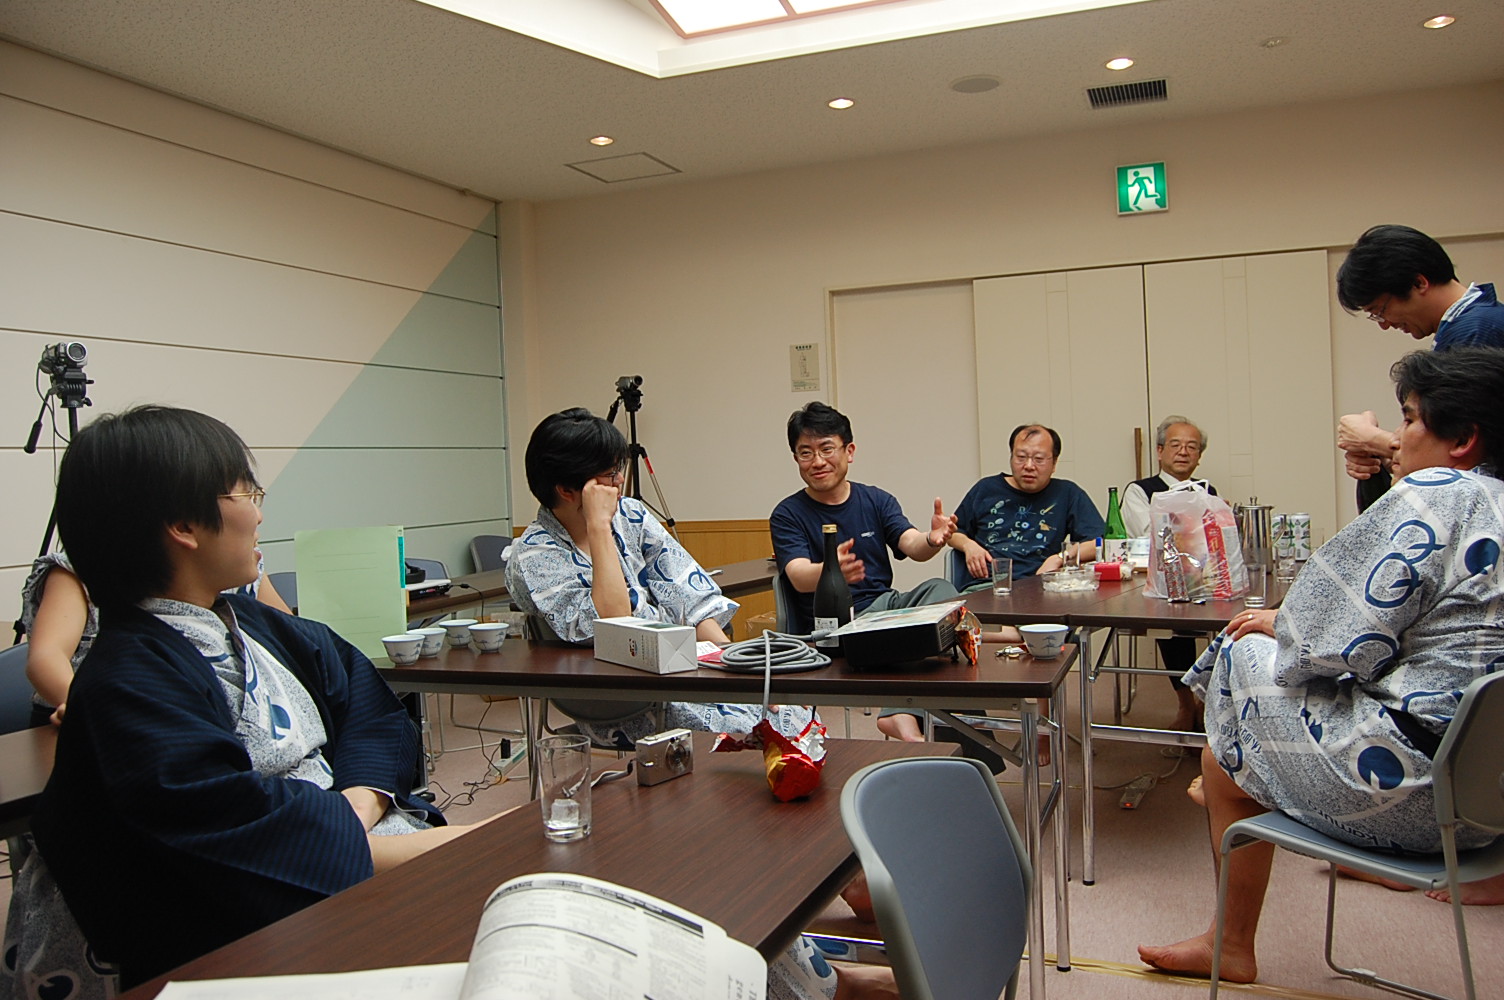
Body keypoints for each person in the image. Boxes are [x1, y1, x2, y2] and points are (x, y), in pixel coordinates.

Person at [5, 406, 468, 997]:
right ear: (183, 525)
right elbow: (234, 839)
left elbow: (369, 706)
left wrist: (363, 798)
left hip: (345, 834)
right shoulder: (126, 682)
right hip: (241, 912)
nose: (259, 512)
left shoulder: (259, 625)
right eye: (246, 492)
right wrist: (437, 843)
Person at [1139, 347, 1504, 983]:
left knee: (1244, 647)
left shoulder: (1439, 494)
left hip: (1409, 789)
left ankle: (1230, 929)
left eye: (1408, 420)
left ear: (1463, 439)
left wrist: (1282, 622)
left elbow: (1326, 639)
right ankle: (1228, 766)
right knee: (1233, 736)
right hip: (1487, 805)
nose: (1396, 439)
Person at [508, 408, 814, 746]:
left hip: (681, 670)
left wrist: (737, 671)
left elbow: (688, 597)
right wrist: (598, 526)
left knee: (789, 709)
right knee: (755, 728)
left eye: (619, 468)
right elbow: (615, 623)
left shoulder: (631, 515)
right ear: (568, 490)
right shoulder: (534, 554)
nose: (620, 481)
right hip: (619, 694)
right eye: (610, 474)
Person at [1333, 225, 1504, 512]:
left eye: (1380, 310)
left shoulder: (1477, 333)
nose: (1385, 324)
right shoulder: (1474, 324)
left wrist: (1377, 441)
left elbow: (1463, 457)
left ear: (1419, 283)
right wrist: (1380, 453)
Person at [19, 553, 290, 727]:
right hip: (93, 723)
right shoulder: (80, 570)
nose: (257, 516)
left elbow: (290, 645)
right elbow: (47, 656)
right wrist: (83, 708)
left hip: (207, 720)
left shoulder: (242, 563)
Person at [769, 402, 958, 632]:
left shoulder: (876, 500)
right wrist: (832, 571)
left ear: (849, 452)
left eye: (827, 449)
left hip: (885, 608)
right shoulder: (787, 514)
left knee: (941, 590)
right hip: (835, 623)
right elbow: (799, 576)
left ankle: (906, 639)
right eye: (806, 453)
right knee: (909, 633)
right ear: (796, 458)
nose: (818, 462)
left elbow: (911, 543)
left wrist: (931, 539)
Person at [1121, 415, 1217, 731]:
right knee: (1173, 615)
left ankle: (1208, 700)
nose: (1183, 452)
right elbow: (1151, 536)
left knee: (1233, 617)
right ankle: (1186, 703)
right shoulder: (1140, 491)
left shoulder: (1206, 490)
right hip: (1158, 583)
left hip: (1204, 580)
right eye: (1175, 445)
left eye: (1192, 447)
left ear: (1199, 456)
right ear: (1160, 451)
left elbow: (1215, 541)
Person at [948, 423, 1104, 589]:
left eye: (1039, 459)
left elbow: (1100, 543)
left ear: (1054, 463)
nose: (1029, 466)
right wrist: (968, 545)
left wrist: (1060, 558)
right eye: (1021, 457)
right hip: (987, 586)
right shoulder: (985, 489)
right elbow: (951, 533)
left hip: (1041, 587)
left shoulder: (1067, 493)